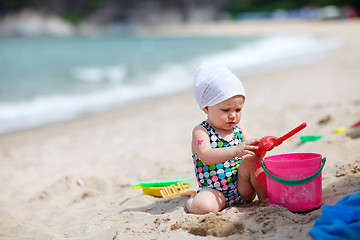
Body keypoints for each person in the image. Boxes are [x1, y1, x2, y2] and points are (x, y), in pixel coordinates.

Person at [186, 62, 267, 215]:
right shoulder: (201, 131)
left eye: (238, 109)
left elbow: (252, 155)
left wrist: (262, 148)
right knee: (203, 207)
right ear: (206, 107)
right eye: (226, 109)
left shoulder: (239, 128)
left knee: (251, 161)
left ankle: (266, 199)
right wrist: (236, 150)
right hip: (215, 191)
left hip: (243, 188)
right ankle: (192, 202)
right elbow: (206, 156)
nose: (233, 115)